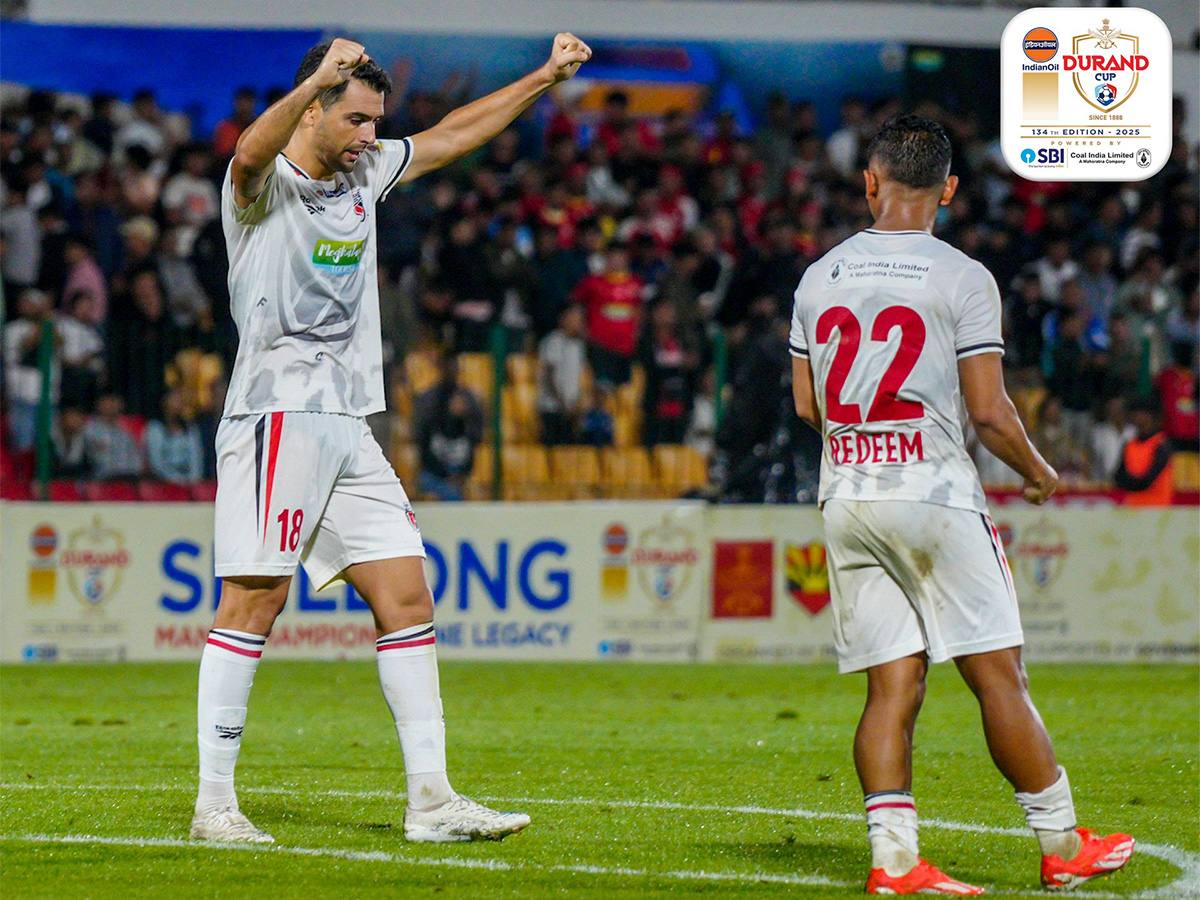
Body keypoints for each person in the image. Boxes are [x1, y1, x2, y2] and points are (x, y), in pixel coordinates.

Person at [191, 35, 591, 846]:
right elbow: (245, 151)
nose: (372, 135)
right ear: (314, 106)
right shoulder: (264, 186)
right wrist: (319, 80)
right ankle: (214, 807)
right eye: (358, 119)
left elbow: (450, 136)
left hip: (348, 420)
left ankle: (432, 801)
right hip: (278, 412)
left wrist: (543, 79)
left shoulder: (364, 173)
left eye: (377, 121)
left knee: (407, 594)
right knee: (256, 599)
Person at [789, 115, 1133, 895]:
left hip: (848, 496)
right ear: (948, 188)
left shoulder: (818, 276)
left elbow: (808, 405)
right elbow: (989, 414)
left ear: (869, 182)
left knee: (891, 687)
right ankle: (1061, 841)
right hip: (935, 496)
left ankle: (895, 861)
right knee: (999, 677)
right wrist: (1039, 472)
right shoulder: (964, 276)